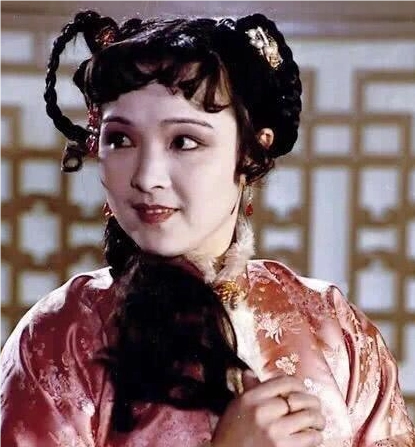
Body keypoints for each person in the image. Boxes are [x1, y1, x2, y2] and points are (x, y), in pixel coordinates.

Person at [0, 9, 413, 447]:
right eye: (120, 139)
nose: (147, 177)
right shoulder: (60, 335)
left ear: (250, 151)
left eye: (184, 141)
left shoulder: (332, 326)